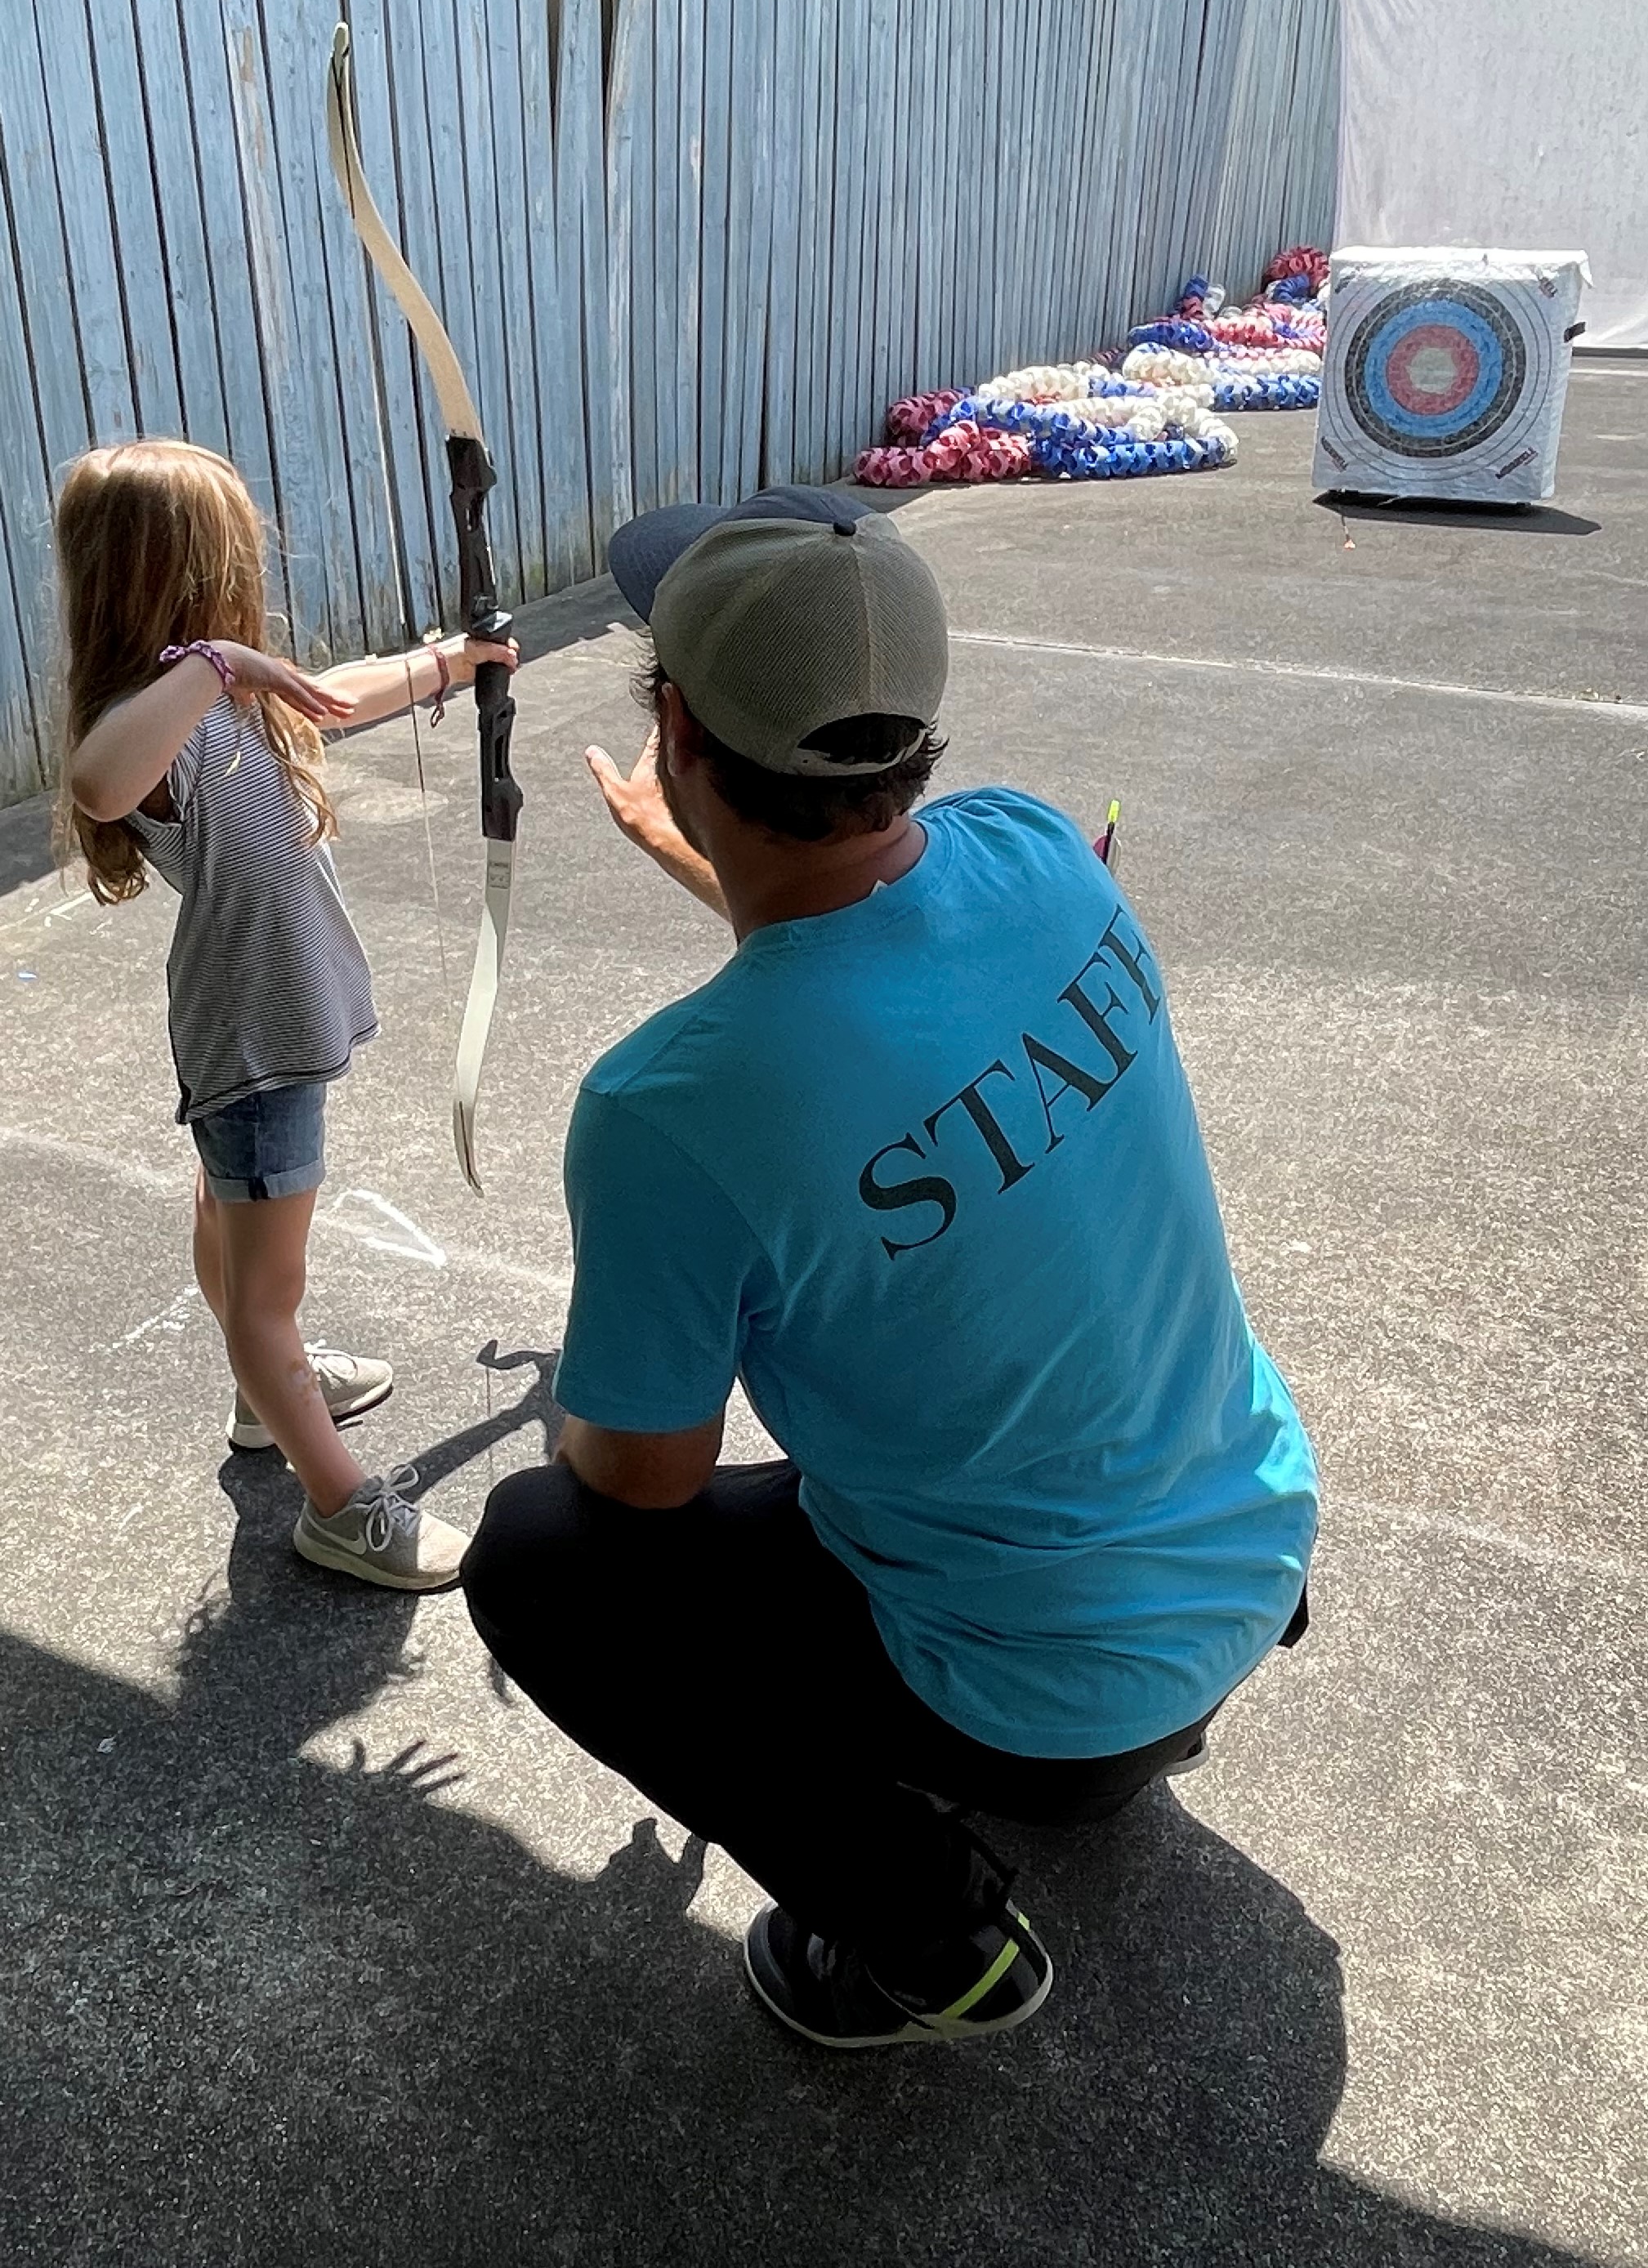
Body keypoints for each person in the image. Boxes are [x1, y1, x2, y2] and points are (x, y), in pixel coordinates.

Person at [461, 488, 1317, 2051]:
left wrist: (583, 1415)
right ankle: (1125, 1723)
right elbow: (898, 983)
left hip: (1045, 1696)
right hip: (1246, 1547)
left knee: (538, 1553)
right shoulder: (1043, 850)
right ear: (913, 740)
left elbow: (642, 1485)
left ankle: (927, 1929)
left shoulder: (666, 1109)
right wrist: (722, 875)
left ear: (683, 741)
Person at [56, 439, 516, 1590]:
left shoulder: (216, 692)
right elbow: (97, 782)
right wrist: (219, 661)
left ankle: (266, 1399)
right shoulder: (163, 709)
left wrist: (451, 663)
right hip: (255, 1046)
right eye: (231, 555)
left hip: (258, 1034)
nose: (251, 570)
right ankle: (337, 1502)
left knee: (230, 1212)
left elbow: (333, 693)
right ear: (179, 572)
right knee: (268, 1291)